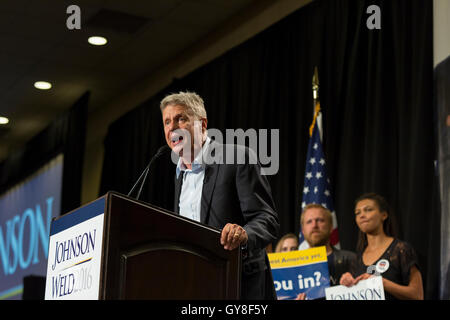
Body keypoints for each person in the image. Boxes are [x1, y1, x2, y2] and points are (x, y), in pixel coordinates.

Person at [160, 91, 280, 299]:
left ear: (202, 124)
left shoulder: (237, 157)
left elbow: (266, 219)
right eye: (167, 121)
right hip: (198, 283)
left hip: (240, 283)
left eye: (181, 118)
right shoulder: (179, 175)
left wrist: (244, 235)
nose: (172, 127)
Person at [339, 193, 424, 300]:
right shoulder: (357, 259)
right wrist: (348, 285)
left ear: (384, 215)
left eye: (368, 210)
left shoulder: (401, 250)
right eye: (357, 213)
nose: (362, 215)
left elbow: (417, 295)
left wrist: (381, 283)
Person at [296, 203, 356, 300]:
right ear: (303, 230)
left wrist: (355, 285)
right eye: (309, 221)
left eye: (320, 220)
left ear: (331, 227)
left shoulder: (350, 259)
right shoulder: (292, 266)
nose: (314, 225)